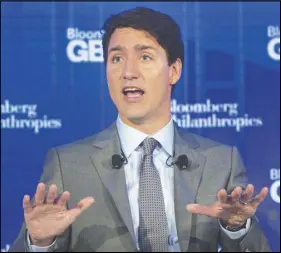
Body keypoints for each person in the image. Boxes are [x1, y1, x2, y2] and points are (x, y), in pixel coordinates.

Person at [9, 7, 271, 252]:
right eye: (117, 58)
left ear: (174, 71)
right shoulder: (67, 165)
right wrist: (40, 241)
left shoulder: (221, 162)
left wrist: (237, 228)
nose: (128, 72)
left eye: (144, 57)